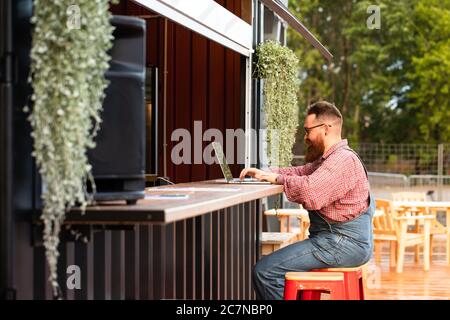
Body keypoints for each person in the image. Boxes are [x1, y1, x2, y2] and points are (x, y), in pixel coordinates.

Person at [239, 101, 374, 300]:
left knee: (265, 272)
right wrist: (265, 173)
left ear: (326, 129)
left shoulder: (343, 160)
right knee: (271, 270)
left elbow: (312, 192)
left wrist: (278, 179)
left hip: (343, 243)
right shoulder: (328, 159)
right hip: (336, 241)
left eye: (307, 130)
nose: (305, 137)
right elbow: (300, 172)